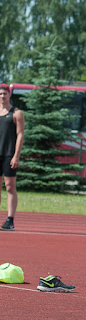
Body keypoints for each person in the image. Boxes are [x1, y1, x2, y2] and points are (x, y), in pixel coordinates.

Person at [0, 84, 24, 231]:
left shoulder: (17, 113)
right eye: (0, 94)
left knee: (10, 186)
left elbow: (20, 134)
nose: (2, 96)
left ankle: (10, 220)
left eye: (4, 94)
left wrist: (16, 155)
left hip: (9, 153)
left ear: (10, 95)